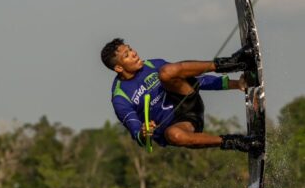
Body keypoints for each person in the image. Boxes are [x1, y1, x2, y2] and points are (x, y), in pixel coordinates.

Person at [101, 38, 261, 152]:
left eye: (130, 49)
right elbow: (136, 132)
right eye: (127, 56)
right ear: (119, 68)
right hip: (183, 124)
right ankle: (238, 142)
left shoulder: (152, 65)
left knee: (167, 71)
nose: (134, 53)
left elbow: (196, 79)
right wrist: (143, 132)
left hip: (187, 99)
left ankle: (233, 63)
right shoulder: (120, 98)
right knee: (174, 135)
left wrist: (236, 84)